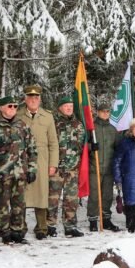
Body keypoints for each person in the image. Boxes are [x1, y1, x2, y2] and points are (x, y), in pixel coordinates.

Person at [16, 84, 59, 240]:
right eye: (30, 97)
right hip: (22, 159)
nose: (33, 100)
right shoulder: (18, 114)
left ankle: (41, 227)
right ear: (25, 99)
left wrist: (53, 164)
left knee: (41, 194)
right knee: (21, 194)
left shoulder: (48, 116)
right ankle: (21, 226)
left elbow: (53, 143)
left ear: (40, 99)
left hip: (42, 160)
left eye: (36, 97)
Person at [0, 95, 37, 244]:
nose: (13, 109)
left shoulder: (22, 125)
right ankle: (4, 232)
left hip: (20, 172)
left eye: (15, 106)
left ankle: (18, 231)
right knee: (3, 204)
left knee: (19, 204)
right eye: (9, 106)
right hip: (1, 172)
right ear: (1, 108)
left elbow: (32, 148)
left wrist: (32, 169)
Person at [50, 96, 86, 237]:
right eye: (66, 106)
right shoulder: (53, 123)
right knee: (52, 199)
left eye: (71, 106)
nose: (69, 108)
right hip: (57, 167)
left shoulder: (78, 124)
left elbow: (82, 145)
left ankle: (70, 226)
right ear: (60, 108)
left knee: (71, 199)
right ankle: (50, 225)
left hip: (73, 168)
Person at [87, 101, 121, 231]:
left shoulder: (112, 130)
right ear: (98, 112)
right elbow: (83, 146)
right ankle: (93, 220)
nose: (105, 113)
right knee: (94, 195)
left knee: (107, 195)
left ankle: (106, 219)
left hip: (108, 168)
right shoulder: (92, 128)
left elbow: (117, 149)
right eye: (103, 111)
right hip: (94, 167)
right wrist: (91, 147)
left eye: (107, 112)